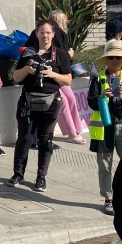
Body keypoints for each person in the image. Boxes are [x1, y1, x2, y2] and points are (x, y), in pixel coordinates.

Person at [6, 20, 72, 192]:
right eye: (42, 32)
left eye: (48, 32)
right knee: (24, 138)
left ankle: (41, 176)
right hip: (28, 101)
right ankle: (18, 174)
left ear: (53, 34)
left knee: (45, 139)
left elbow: (68, 80)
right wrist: (27, 69)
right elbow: (16, 77)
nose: (45, 35)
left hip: (50, 101)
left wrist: (52, 73)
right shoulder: (28, 53)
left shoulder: (61, 55)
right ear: (36, 34)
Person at [87, 39, 122, 215]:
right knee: (105, 166)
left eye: (118, 58)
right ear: (106, 60)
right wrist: (103, 96)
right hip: (104, 128)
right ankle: (108, 199)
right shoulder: (99, 77)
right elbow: (91, 102)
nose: (115, 61)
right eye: (111, 58)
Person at [49, 10, 86, 144]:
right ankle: (71, 132)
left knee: (70, 98)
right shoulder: (59, 34)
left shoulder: (59, 35)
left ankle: (75, 129)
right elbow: (60, 55)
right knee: (64, 101)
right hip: (55, 74)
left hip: (61, 74)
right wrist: (68, 55)